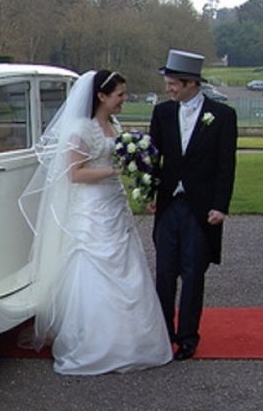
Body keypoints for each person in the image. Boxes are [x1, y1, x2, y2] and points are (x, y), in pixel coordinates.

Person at [20, 69, 173, 375]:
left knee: (127, 265)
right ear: (102, 95)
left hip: (114, 204)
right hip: (92, 207)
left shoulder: (114, 125)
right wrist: (113, 170)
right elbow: (74, 174)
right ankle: (93, 341)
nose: (124, 100)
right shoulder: (81, 129)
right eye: (120, 95)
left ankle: (134, 340)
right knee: (92, 268)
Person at [149, 50, 237, 360]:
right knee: (164, 273)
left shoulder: (223, 116)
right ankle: (162, 333)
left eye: (173, 83)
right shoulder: (161, 114)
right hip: (169, 205)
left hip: (201, 209)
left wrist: (220, 206)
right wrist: (150, 195)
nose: (169, 89)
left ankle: (188, 337)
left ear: (191, 83)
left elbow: (226, 166)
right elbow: (153, 159)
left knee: (193, 272)